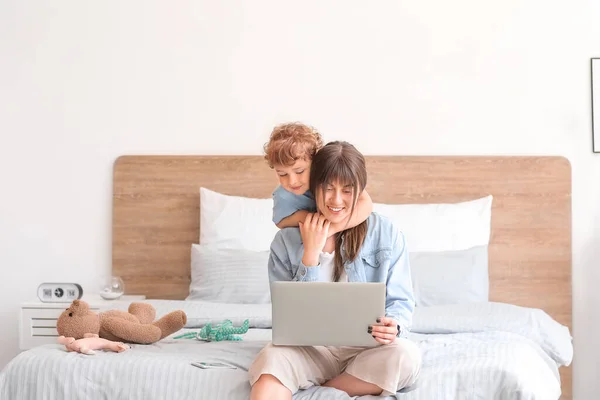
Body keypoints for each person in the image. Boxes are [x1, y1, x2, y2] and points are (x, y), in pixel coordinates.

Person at [248, 141, 421, 399]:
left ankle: (325, 388)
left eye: (347, 190)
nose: (336, 200)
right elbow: (289, 317)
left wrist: (393, 326)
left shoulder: (386, 233)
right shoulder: (286, 241)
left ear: (360, 190)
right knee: (270, 361)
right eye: (327, 189)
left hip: (368, 349)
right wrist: (310, 255)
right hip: (309, 350)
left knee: (406, 357)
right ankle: (336, 381)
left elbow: (401, 301)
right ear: (314, 187)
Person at [263, 122, 373, 234]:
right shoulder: (283, 195)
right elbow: (279, 221)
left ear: (315, 163)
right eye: (282, 174)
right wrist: (306, 217)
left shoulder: (331, 174)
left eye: (300, 171)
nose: (292, 181)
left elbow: (366, 204)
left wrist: (332, 229)